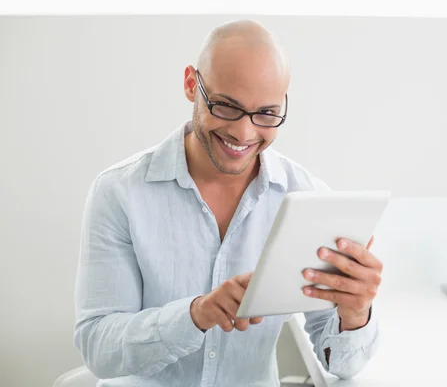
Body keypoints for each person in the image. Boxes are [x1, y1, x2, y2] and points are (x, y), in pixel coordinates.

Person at [74, 19, 383, 387]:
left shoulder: (305, 196)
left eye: (266, 113)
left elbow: (341, 364)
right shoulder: (119, 192)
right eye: (225, 107)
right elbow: (97, 346)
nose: (243, 132)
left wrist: (355, 312)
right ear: (192, 84)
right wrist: (195, 315)